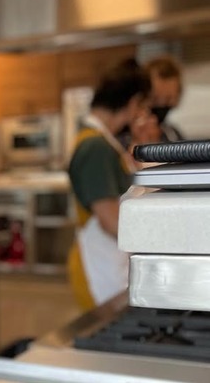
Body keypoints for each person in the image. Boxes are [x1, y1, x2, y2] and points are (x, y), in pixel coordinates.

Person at [66, 59, 152, 310]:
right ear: (134, 101)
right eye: (143, 107)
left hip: (109, 263)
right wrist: (155, 241)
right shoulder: (95, 147)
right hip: (98, 268)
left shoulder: (103, 142)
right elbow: (110, 220)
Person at [118, 55, 185, 148]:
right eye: (155, 99)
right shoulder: (121, 138)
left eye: (168, 99)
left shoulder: (172, 135)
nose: (161, 104)